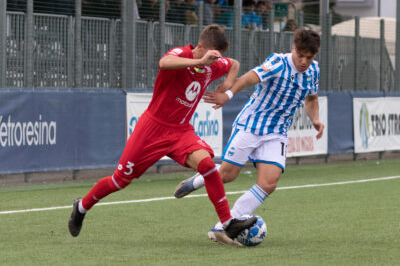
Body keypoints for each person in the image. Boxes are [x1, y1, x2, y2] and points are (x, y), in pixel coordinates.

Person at [68, 24, 257, 245]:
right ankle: (81, 207)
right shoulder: (182, 55)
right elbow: (163, 63)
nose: (216, 61)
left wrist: (226, 84)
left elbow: (234, 64)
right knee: (119, 181)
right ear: (200, 47)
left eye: (217, 57)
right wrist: (199, 61)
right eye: (213, 56)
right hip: (152, 130)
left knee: (207, 165)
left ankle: (228, 223)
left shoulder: (213, 64)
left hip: (181, 131)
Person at [174, 28, 324, 242]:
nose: (303, 61)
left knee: (269, 183)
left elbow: (311, 99)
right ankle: (199, 180)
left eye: (309, 58)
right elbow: (247, 78)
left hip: (276, 133)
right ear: (293, 48)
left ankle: (223, 227)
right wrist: (227, 94)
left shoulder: (313, 70)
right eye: (300, 55)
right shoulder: (278, 63)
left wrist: (315, 119)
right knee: (228, 175)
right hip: (251, 125)